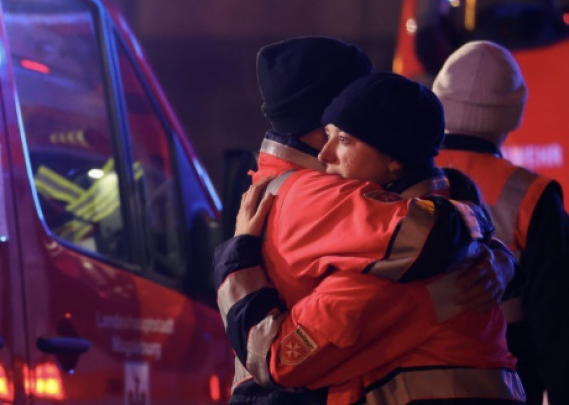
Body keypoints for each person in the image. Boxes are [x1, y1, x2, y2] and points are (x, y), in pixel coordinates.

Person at [214, 38, 515, 404]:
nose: (329, 153)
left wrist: (493, 252)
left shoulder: (280, 183)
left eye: (343, 138)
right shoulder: (323, 195)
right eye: (334, 132)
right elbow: (430, 234)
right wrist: (481, 230)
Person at [433, 40, 569, 405]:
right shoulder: (533, 193)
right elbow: (555, 318)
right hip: (506, 379)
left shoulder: (402, 175)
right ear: (512, 114)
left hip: (413, 372)